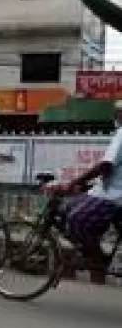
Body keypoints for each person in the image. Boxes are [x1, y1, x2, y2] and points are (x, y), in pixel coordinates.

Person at [44, 100, 122, 278]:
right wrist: (85, 184)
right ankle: (92, 248)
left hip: (113, 196)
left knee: (76, 218)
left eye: (118, 113)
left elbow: (105, 165)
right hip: (107, 190)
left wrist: (74, 182)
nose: (115, 116)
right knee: (71, 207)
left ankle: (97, 259)